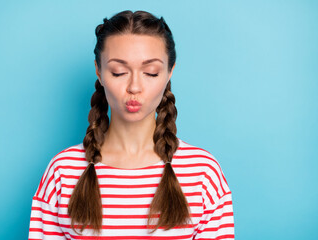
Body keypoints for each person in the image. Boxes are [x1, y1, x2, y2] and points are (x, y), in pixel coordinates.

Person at [28, 10, 234, 239]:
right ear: (99, 71)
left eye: (150, 72)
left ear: (169, 72)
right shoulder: (62, 171)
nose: (134, 87)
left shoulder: (203, 174)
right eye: (119, 72)